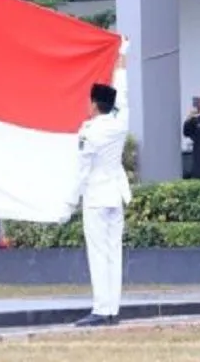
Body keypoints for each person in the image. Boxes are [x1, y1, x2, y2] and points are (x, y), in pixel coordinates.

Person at [68, 83, 132, 328]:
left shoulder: (90, 132)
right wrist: (120, 70)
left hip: (96, 197)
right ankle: (112, 308)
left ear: (94, 104)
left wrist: (70, 200)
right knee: (114, 253)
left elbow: (82, 170)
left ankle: (101, 308)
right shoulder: (120, 125)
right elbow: (123, 103)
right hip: (115, 195)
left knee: (98, 255)